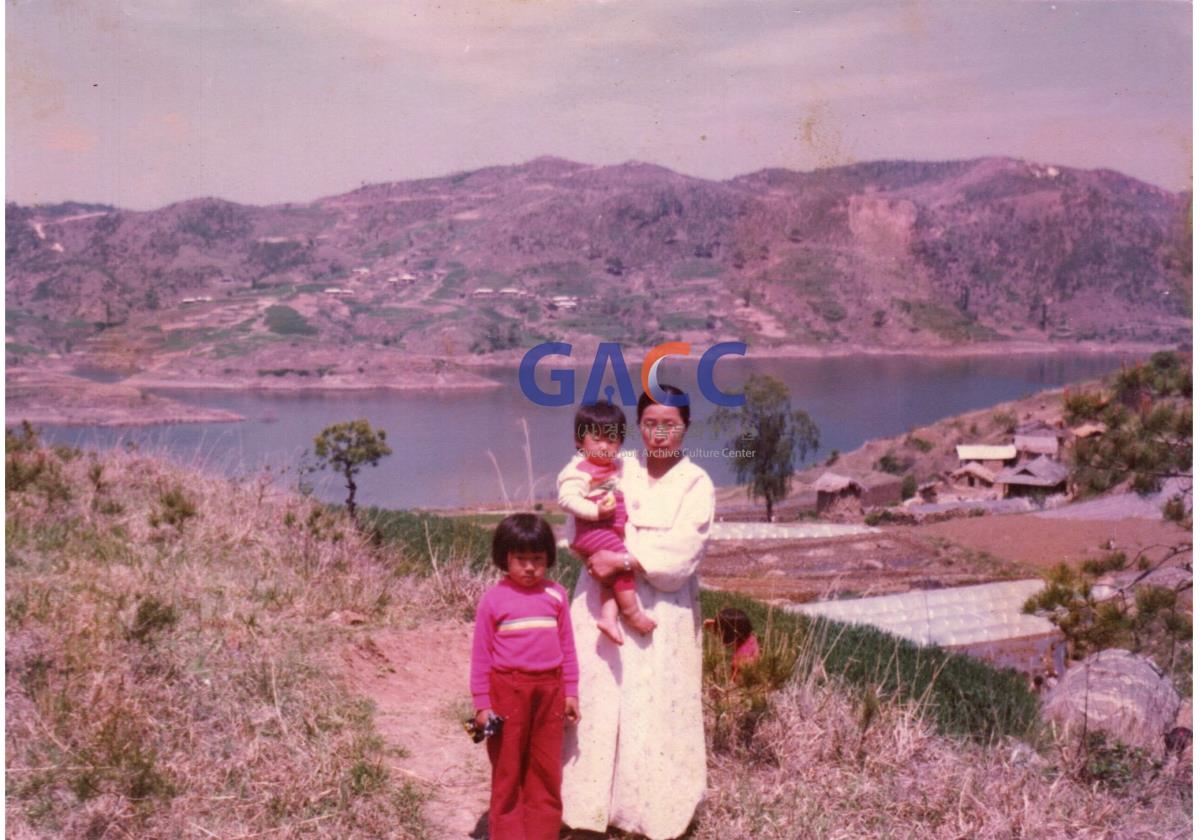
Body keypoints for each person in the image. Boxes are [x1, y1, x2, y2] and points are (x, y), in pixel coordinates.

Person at [561, 385, 715, 839]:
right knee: (599, 699)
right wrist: (597, 556)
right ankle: (585, 808)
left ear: (685, 427)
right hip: (598, 597)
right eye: (650, 424)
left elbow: (684, 550)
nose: (660, 434)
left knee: (655, 707)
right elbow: (578, 515)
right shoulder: (615, 466)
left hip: (662, 609)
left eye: (670, 425)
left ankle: (651, 815)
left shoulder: (696, 483)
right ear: (639, 426)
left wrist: (625, 559)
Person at [470, 513, 581, 840]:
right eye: (521, 559)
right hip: (507, 691)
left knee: (546, 768)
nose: (530, 567)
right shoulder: (493, 601)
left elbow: (568, 650)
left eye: (538, 559)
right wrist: (482, 705)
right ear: (505, 557)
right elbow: (481, 657)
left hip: (550, 691)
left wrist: (571, 693)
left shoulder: (557, 595)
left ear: (549, 557)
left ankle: (542, 833)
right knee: (508, 768)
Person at [557, 401, 655, 645]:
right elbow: (566, 499)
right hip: (593, 531)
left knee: (610, 576)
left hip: (602, 531)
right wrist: (596, 512)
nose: (604, 447)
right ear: (579, 440)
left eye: (611, 441)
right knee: (623, 564)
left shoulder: (612, 468)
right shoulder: (579, 470)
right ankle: (632, 613)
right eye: (597, 439)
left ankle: (608, 618)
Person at [704, 607, 761, 681]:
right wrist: (715, 623)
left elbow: (736, 683)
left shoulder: (742, 658)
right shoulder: (748, 637)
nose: (717, 634)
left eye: (720, 630)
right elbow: (734, 625)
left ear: (730, 634)